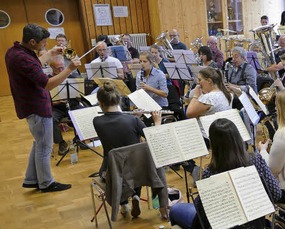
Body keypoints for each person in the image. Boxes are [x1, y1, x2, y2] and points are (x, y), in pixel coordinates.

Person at [169, 118, 280, 229]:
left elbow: (205, 215)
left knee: (177, 210)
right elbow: (276, 194)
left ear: (214, 145)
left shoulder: (210, 172)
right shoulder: (256, 160)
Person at [6, 24, 80, 192]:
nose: (46, 45)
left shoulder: (14, 51)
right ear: (32, 42)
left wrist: (51, 53)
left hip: (28, 104)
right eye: (44, 43)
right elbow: (47, 84)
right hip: (36, 106)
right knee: (44, 147)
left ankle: (31, 179)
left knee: (39, 143)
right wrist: (69, 69)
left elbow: (34, 65)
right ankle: (46, 183)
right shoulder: (23, 58)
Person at [92, 82, 167, 219]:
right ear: (119, 100)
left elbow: (117, 130)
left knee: (120, 168)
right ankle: (136, 195)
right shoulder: (133, 120)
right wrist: (157, 122)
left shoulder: (97, 121)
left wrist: (134, 118)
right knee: (135, 166)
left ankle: (124, 204)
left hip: (112, 171)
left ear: (100, 103)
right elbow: (153, 139)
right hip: (137, 170)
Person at [49, 55, 89, 155]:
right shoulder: (48, 81)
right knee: (50, 118)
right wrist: (56, 102)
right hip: (57, 108)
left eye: (63, 67)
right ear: (52, 68)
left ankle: (79, 138)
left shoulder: (72, 77)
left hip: (72, 105)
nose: (62, 70)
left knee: (84, 112)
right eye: (59, 68)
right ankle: (61, 143)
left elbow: (80, 95)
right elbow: (45, 100)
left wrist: (79, 94)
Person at [186, 67, 233, 137]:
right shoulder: (227, 94)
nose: (198, 83)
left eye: (200, 80)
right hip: (221, 134)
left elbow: (189, 113)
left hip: (206, 136)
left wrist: (196, 95)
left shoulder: (208, 98)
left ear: (209, 81)